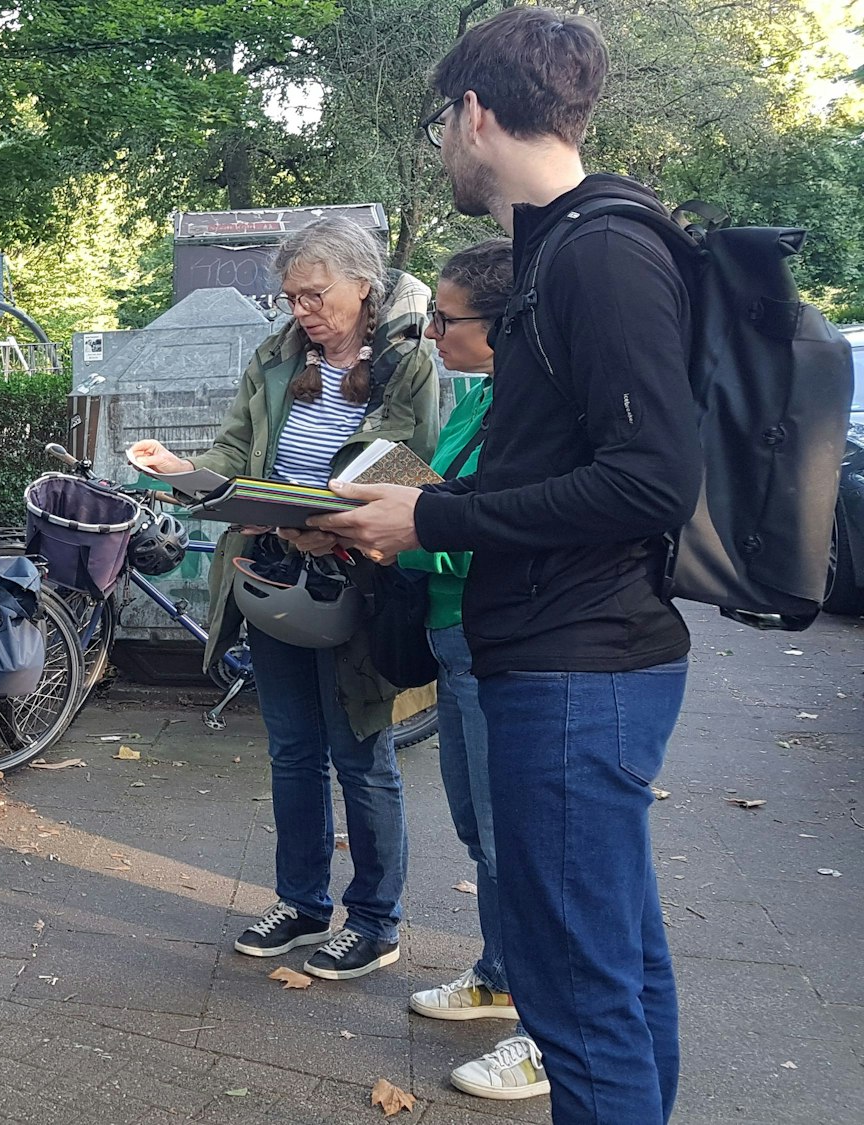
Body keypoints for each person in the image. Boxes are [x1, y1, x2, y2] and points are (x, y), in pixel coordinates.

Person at [313, 9, 702, 1122]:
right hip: (571, 657)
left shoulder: (602, 250)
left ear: (474, 113)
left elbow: (646, 484)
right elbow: (562, 466)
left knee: (575, 990)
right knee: (615, 968)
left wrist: (435, 523)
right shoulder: (565, 247)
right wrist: (420, 504)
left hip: (580, 669)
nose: (443, 144)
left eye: (443, 120)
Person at [128, 216, 438, 981]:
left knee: (360, 755)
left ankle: (374, 920)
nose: (300, 309)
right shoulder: (277, 356)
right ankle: (301, 902)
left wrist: (324, 523)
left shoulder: (410, 364)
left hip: (356, 580)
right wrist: (184, 468)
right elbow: (236, 449)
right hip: (273, 573)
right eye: (291, 295)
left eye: (314, 293)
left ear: (363, 285)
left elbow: (410, 469)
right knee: (293, 751)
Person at [396, 238, 552, 1101]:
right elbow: (445, 496)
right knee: (479, 828)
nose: (429, 329)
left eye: (446, 318)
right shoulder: (483, 394)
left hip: (498, 640)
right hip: (457, 640)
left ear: (500, 327)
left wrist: (395, 530)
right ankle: (498, 974)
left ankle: (546, 1033)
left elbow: (473, 530)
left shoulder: (525, 408)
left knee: (520, 839)